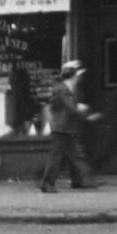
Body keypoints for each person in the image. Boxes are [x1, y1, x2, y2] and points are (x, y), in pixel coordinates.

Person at [38, 61, 99, 193]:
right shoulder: (62, 89)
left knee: (76, 154)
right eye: (77, 75)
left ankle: (84, 179)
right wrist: (86, 115)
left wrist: (81, 109)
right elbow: (70, 107)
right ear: (72, 76)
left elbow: (71, 105)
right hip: (61, 128)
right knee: (57, 157)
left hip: (68, 127)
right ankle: (47, 183)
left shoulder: (68, 88)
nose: (79, 78)